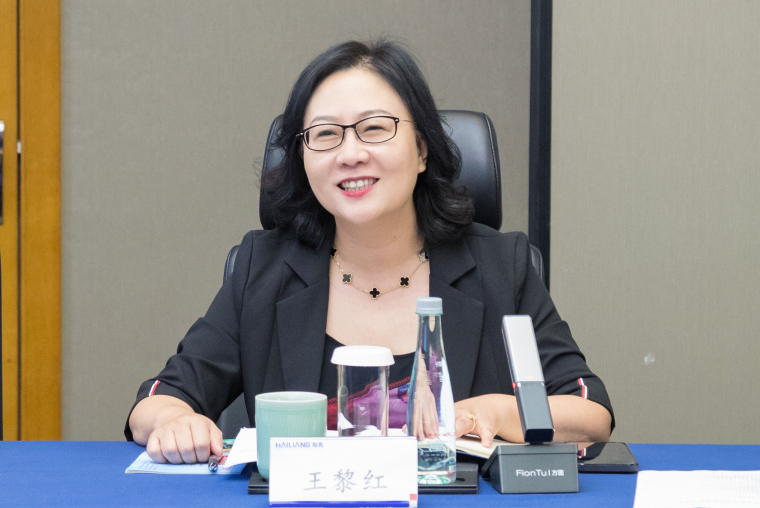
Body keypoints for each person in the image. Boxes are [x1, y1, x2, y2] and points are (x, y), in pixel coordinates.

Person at [126, 39, 614, 465]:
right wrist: (174, 422)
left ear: (421, 149)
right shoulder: (263, 269)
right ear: (302, 158)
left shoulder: (500, 267)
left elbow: (590, 414)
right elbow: (158, 401)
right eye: (325, 134)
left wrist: (499, 411)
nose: (350, 153)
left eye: (375, 128)